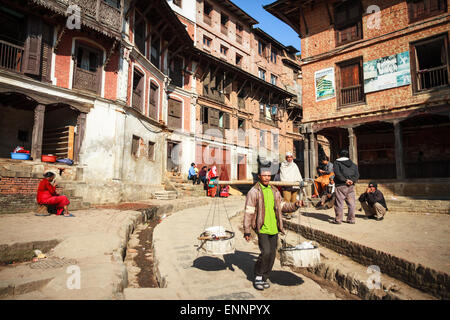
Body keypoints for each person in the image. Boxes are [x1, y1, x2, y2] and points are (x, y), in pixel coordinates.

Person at [243, 167, 303, 291]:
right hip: (262, 228)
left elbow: (282, 205)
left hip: (274, 228)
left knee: (272, 255)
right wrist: (247, 230)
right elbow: (249, 212)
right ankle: (258, 275)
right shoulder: (253, 192)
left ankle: (265, 277)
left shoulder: (274, 190)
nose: (266, 178)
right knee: (266, 252)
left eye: (269, 176)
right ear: (259, 176)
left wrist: (295, 205)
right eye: (264, 176)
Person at [332, 149, 359, 224]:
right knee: (352, 203)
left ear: (339, 155)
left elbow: (337, 174)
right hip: (351, 186)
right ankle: (351, 219)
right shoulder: (353, 164)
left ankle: (338, 219)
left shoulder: (337, 163)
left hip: (341, 185)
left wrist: (345, 180)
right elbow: (357, 175)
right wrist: (352, 180)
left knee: (339, 203)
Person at [279, 152, 303, 219]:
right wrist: (287, 182)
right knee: (287, 199)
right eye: (288, 157)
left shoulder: (294, 165)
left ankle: (292, 213)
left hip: (294, 185)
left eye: (290, 157)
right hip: (286, 185)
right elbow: (283, 175)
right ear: (286, 158)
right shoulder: (283, 165)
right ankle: (287, 213)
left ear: (292, 158)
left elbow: (297, 174)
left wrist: (299, 181)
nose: (289, 159)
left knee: (294, 200)